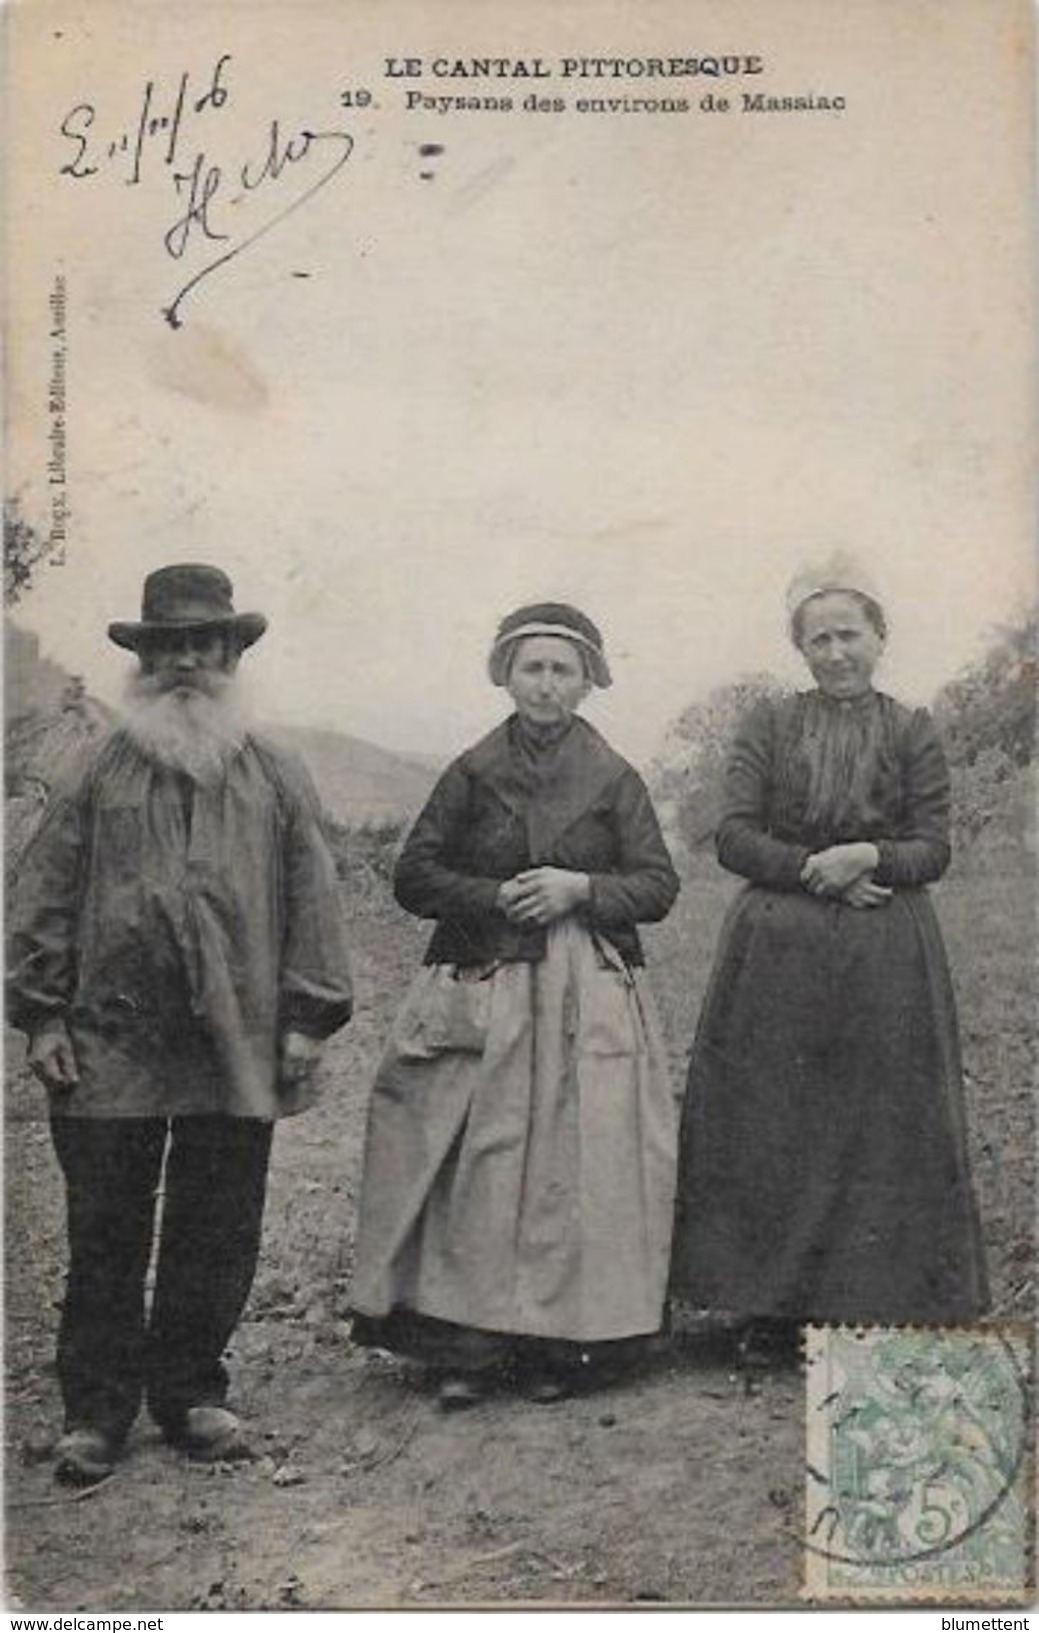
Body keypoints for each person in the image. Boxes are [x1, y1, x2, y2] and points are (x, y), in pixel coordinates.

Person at [7, 564, 353, 1483]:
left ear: (233, 654)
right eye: (170, 647)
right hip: (109, 1038)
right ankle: (97, 1410)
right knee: (106, 1228)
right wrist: (39, 1016)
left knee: (217, 1220)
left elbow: (312, 896)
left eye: (207, 645)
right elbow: (38, 896)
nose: (188, 663)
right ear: (143, 658)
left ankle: (193, 1391)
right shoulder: (94, 769)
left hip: (235, 1035)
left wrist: (308, 1018)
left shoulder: (274, 771)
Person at [349, 602, 680, 1407]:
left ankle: (560, 1347)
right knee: (478, 1158)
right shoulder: (469, 770)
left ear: (587, 681)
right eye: (530, 667)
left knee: (578, 1161)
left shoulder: (614, 777)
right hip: (485, 983)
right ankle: (469, 1343)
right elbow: (414, 876)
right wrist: (495, 894)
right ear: (505, 674)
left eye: (562, 669)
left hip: (586, 992)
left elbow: (658, 885)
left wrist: (583, 888)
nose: (545, 684)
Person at [669, 555, 988, 1360]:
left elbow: (934, 845)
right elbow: (733, 832)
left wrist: (869, 856)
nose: (835, 652)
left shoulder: (911, 728)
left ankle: (880, 1295)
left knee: (881, 1120)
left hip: (887, 951)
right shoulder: (768, 727)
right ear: (799, 647)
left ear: (878, 636)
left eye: (849, 634)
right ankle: (768, 1306)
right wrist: (818, 871)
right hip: (777, 946)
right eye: (818, 639)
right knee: (775, 1118)